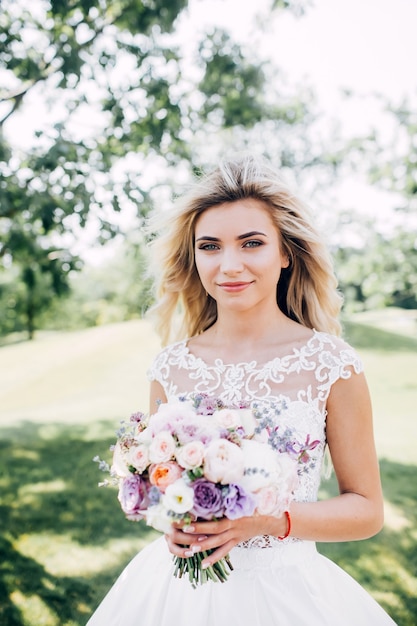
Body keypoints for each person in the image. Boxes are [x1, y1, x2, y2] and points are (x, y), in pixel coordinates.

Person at [86, 154, 396, 625]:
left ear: (285, 253)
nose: (230, 265)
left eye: (251, 243)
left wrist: (274, 520)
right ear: (194, 257)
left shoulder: (332, 365)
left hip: (286, 594)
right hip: (178, 595)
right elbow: (162, 489)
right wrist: (173, 523)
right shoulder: (169, 368)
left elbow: (367, 510)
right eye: (210, 247)